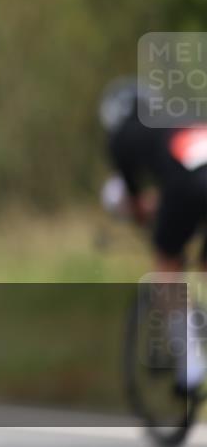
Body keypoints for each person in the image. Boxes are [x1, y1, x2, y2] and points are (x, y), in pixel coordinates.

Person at [100, 77, 207, 392]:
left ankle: (191, 366)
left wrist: (140, 211)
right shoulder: (182, 117)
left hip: (186, 186)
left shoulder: (121, 136)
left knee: (167, 268)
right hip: (192, 180)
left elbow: (135, 201)